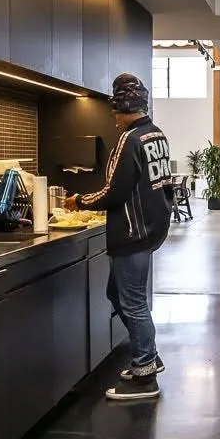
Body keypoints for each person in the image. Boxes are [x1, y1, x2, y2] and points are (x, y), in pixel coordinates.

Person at [78, 73, 174, 401]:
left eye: (115, 110)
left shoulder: (129, 138)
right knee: (118, 295)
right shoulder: (155, 134)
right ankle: (149, 355)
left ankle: (144, 375)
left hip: (132, 232)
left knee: (133, 303)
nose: (113, 117)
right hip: (151, 228)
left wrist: (79, 201)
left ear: (123, 108)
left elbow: (113, 191)